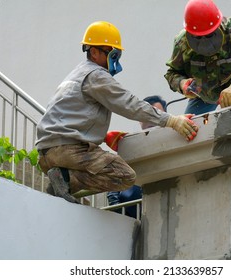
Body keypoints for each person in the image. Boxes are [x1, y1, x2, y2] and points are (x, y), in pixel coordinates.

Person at [35, 21, 199, 204]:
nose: (116, 60)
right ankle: (67, 179)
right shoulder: (95, 75)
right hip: (69, 151)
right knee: (125, 176)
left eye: (117, 54)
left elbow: (71, 116)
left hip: (47, 153)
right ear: (94, 52)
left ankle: (62, 183)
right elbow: (129, 104)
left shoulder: (75, 75)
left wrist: (101, 135)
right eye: (112, 54)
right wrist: (172, 121)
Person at [164, 0, 231, 122]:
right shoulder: (182, 43)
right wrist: (182, 84)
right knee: (191, 125)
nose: (205, 42)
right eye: (199, 37)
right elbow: (172, 74)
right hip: (205, 92)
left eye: (209, 35)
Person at [106, 95, 167, 218]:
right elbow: (114, 181)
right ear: (139, 119)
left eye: (157, 114)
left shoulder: (171, 140)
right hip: (133, 210)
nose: (151, 119)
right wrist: (118, 210)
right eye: (147, 115)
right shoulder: (129, 145)